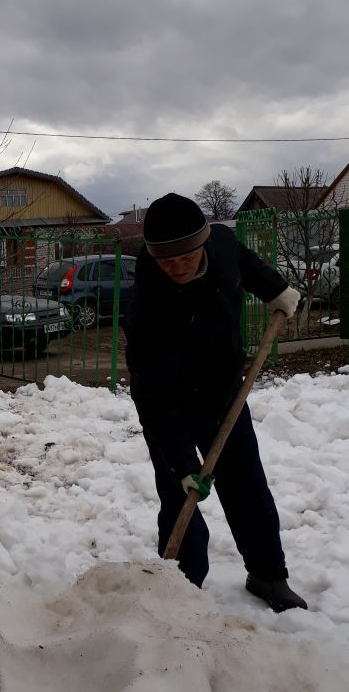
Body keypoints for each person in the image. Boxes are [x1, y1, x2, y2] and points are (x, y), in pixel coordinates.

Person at [124, 192, 308, 613]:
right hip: (171, 407)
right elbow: (151, 395)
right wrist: (182, 464)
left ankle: (267, 574)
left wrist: (276, 289)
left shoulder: (221, 244)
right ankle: (183, 585)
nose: (177, 268)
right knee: (179, 496)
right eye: (166, 261)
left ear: (203, 244)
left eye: (185, 257)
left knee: (247, 486)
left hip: (225, 393)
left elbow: (247, 263)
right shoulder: (146, 309)